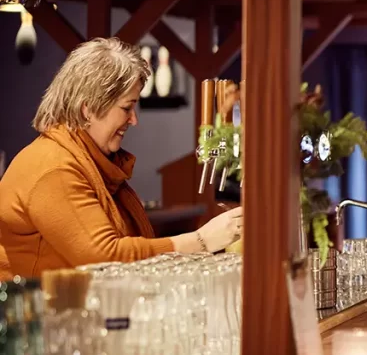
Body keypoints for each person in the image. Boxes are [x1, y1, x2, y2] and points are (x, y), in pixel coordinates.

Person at [0, 38, 242, 280]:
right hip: (39, 314)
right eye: (127, 108)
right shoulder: (54, 168)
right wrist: (201, 240)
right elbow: (103, 257)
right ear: (88, 109)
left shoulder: (92, 161)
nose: (134, 120)